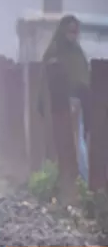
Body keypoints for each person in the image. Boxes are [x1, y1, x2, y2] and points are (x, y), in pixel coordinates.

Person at [39, 14, 90, 183]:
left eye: (75, 32)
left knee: (80, 143)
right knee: (65, 145)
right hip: (59, 107)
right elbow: (45, 79)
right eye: (70, 31)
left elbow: (84, 78)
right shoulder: (55, 51)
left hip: (78, 104)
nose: (73, 35)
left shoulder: (78, 52)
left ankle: (84, 179)